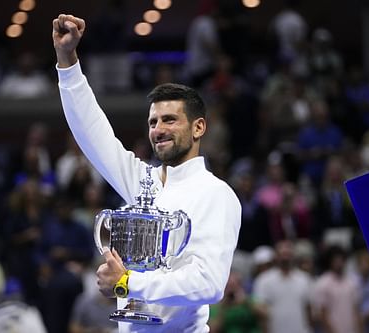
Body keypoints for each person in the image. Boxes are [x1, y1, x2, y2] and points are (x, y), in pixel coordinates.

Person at [52, 14, 242, 332]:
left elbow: (209, 284)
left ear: (199, 128)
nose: (158, 129)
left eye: (170, 120)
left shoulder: (215, 193)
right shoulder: (144, 183)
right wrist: (68, 62)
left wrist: (128, 283)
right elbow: (93, 134)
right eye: (153, 122)